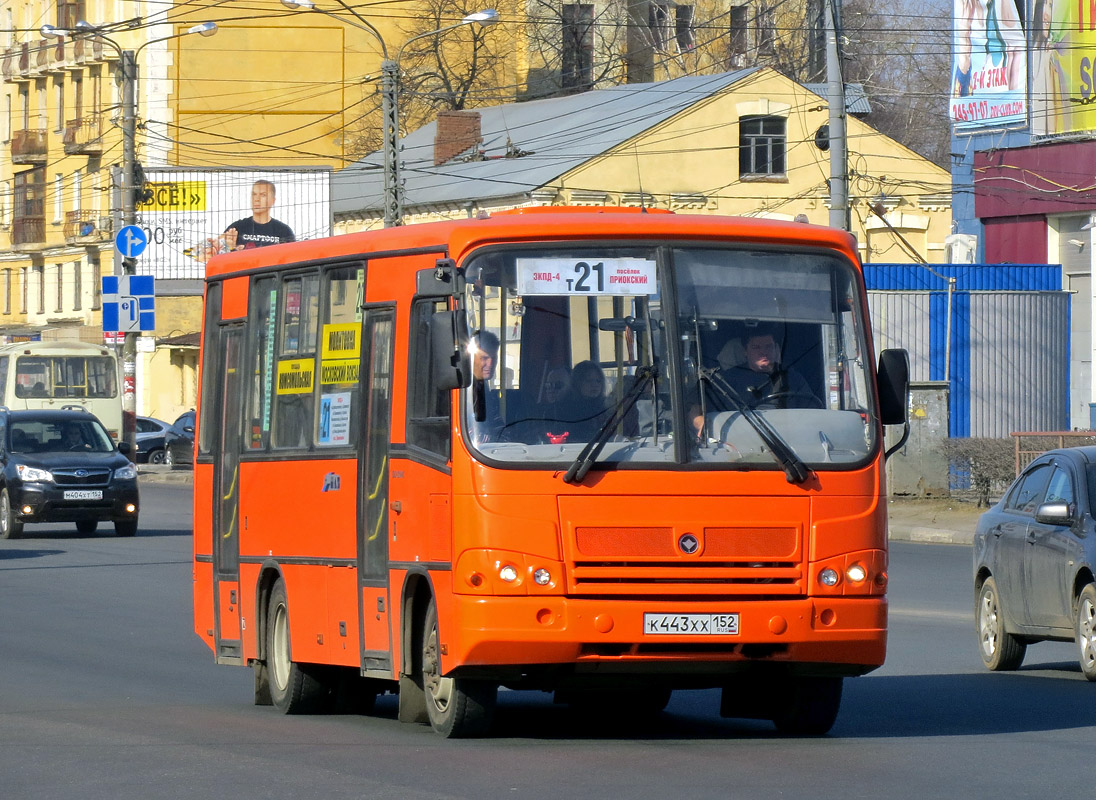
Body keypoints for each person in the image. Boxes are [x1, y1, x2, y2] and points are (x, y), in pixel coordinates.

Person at [691, 329, 821, 436]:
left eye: (768, 346)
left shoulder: (792, 378)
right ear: (745, 352)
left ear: (776, 349)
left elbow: (813, 415)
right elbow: (694, 409)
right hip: (739, 441)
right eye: (756, 347)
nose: (763, 352)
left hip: (787, 441)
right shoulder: (726, 379)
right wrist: (701, 422)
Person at [196, 180, 295, 261]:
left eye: (263, 195)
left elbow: (293, 261)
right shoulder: (236, 229)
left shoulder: (283, 231)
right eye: (254, 194)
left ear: (273, 200)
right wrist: (229, 248)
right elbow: (202, 255)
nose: (257, 199)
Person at [469, 330, 502, 441]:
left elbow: (498, 425)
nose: (490, 364)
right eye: (484, 358)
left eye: (494, 358)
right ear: (470, 359)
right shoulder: (463, 392)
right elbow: (471, 435)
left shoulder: (483, 387)